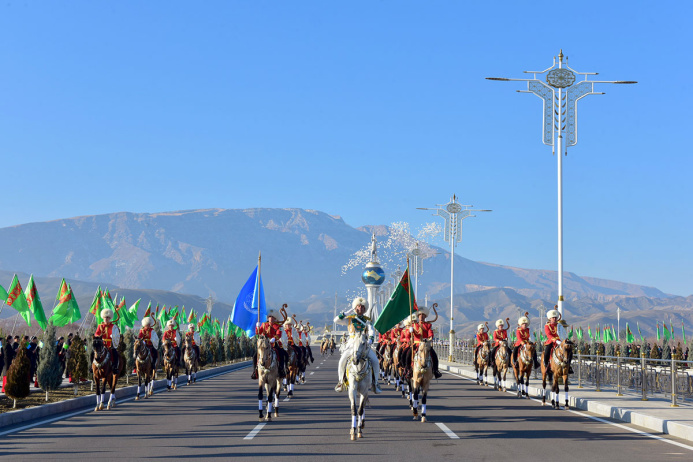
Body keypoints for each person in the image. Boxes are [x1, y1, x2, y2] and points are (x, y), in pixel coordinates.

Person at [334, 297, 382, 394]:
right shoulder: (349, 319)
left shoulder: (367, 320)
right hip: (352, 344)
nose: (360, 308)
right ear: (355, 308)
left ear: (365, 309)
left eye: (362, 307)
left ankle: (375, 383)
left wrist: (371, 339)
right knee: (342, 361)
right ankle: (340, 382)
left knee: (375, 361)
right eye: (358, 306)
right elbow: (336, 320)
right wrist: (345, 313)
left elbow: (372, 330)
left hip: (364, 344)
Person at [405, 306, 442, 379]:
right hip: (416, 344)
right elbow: (407, 336)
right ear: (418, 316)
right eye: (420, 315)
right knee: (407, 355)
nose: (421, 317)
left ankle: (435, 371)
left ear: (425, 316)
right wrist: (409, 337)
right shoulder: (414, 325)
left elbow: (430, 333)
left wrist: (430, 337)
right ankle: (408, 369)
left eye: (423, 315)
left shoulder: (428, 325)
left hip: (425, 345)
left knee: (434, 356)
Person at [251, 308, 287, 380]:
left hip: (274, 344)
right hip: (265, 345)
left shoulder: (278, 326)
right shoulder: (264, 324)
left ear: (275, 318)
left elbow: (279, 334)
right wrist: (257, 327)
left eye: (272, 317)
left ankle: (281, 370)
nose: (271, 318)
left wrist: (275, 338)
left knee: (282, 354)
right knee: (255, 356)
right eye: (270, 317)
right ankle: (255, 371)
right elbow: (258, 332)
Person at [543, 308, 574, 373]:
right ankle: (547, 366)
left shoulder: (559, 326)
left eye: (555, 317)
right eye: (553, 317)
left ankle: (569, 366)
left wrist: (564, 340)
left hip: (561, 342)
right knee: (547, 351)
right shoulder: (547, 326)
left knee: (569, 351)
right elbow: (549, 335)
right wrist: (555, 340)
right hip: (552, 341)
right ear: (550, 318)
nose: (554, 319)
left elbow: (563, 334)